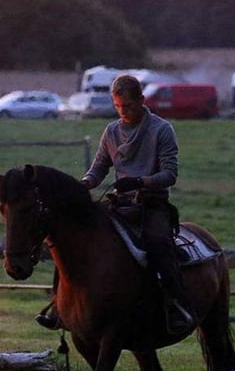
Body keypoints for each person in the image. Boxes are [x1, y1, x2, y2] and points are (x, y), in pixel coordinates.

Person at [35, 74, 194, 335]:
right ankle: (60, 305)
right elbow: (99, 168)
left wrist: (140, 182)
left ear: (142, 101)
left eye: (129, 106)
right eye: (118, 106)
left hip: (152, 205)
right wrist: (85, 183)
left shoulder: (161, 129)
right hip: (119, 205)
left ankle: (177, 304)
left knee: (157, 245)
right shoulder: (111, 131)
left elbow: (170, 174)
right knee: (72, 241)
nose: (123, 112)